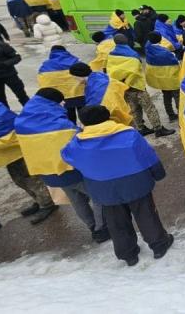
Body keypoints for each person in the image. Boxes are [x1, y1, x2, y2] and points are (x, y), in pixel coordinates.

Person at [61, 106, 174, 266]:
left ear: (83, 122)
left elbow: (67, 156)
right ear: (108, 116)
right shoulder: (128, 134)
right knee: (146, 214)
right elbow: (147, 155)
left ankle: (128, 254)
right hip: (136, 183)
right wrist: (158, 173)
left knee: (116, 222)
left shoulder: (78, 142)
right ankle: (159, 245)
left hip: (103, 188)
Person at [14, 88, 109, 242]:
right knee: (98, 196)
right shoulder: (62, 126)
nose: (63, 104)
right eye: (60, 102)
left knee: (77, 201)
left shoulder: (21, 122)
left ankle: (92, 227)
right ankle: (102, 228)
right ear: (52, 103)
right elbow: (81, 143)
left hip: (50, 174)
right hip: (73, 172)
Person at [0, 97, 57, 224]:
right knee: (20, 181)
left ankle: (48, 204)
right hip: (9, 156)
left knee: (32, 179)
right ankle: (39, 200)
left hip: (19, 151)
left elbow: (2, 141)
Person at [106, 34, 175, 137]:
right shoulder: (132, 54)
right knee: (149, 107)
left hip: (123, 87)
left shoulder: (111, 54)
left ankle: (140, 128)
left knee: (134, 109)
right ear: (126, 41)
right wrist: (130, 83)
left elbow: (110, 71)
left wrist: (124, 85)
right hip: (137, 87)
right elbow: (135, 71)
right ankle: (158, 129)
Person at [145, 32, 181, 121]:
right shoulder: (165, 52)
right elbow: (175, 62)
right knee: (177, 96)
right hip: (171, 78)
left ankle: (171, 115)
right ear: (161, 39)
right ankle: (180, 114)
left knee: (166, 96)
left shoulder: (148, 48)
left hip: (161, 79)